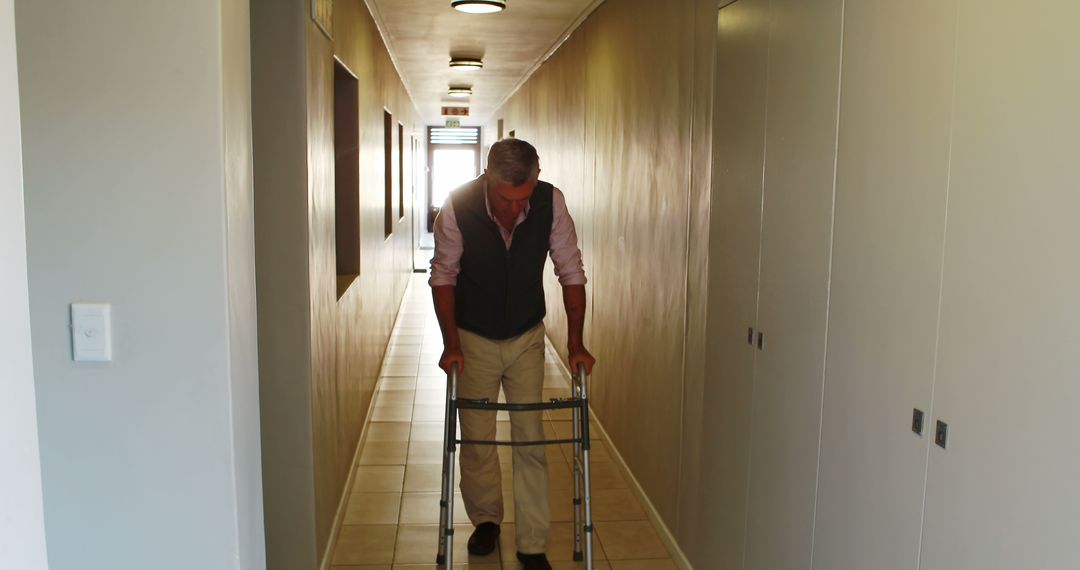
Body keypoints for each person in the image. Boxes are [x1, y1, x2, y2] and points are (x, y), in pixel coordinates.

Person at [429, 138, 596, 570]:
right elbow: (444, 275)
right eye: (504, 197)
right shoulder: (457, 205)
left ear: (536, 179)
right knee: (478, 436)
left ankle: (532, 543)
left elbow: (570, 269)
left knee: (531, 438)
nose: (512, 207)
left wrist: (576, 343)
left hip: (525, 335)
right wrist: (451, 343)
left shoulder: (550, 202)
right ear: (488, 177)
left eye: (521, 198)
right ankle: (486, 521)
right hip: (474, 336)